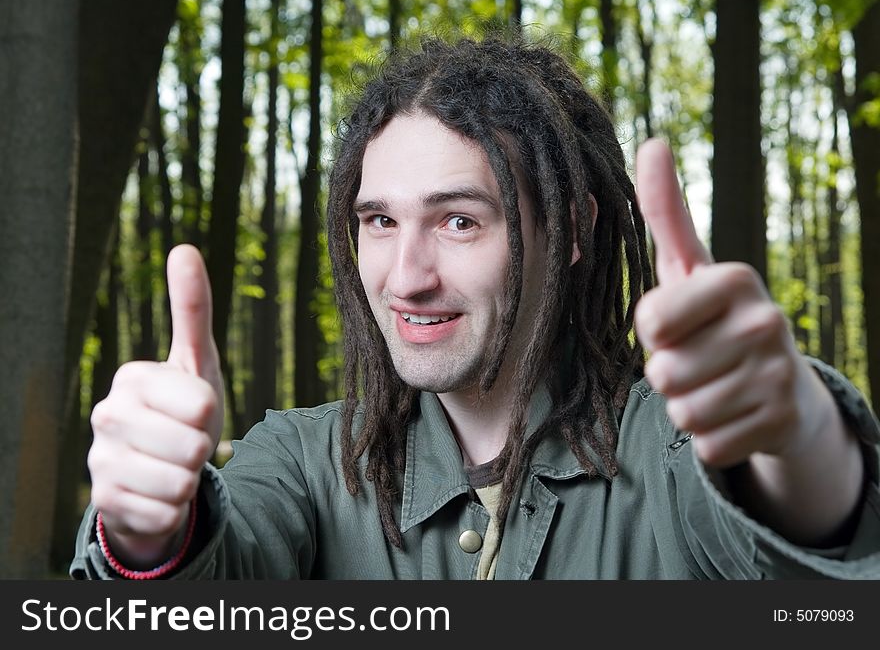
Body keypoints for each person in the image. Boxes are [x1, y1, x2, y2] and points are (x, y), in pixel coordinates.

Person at [72, 37, 880, 580]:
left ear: (567, 229)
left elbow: (808, 564)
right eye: (380, 221)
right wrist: (146, 533)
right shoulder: (302, 463)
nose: (405, 277)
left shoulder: (666, 450)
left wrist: (801, 442)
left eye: (460, 220)